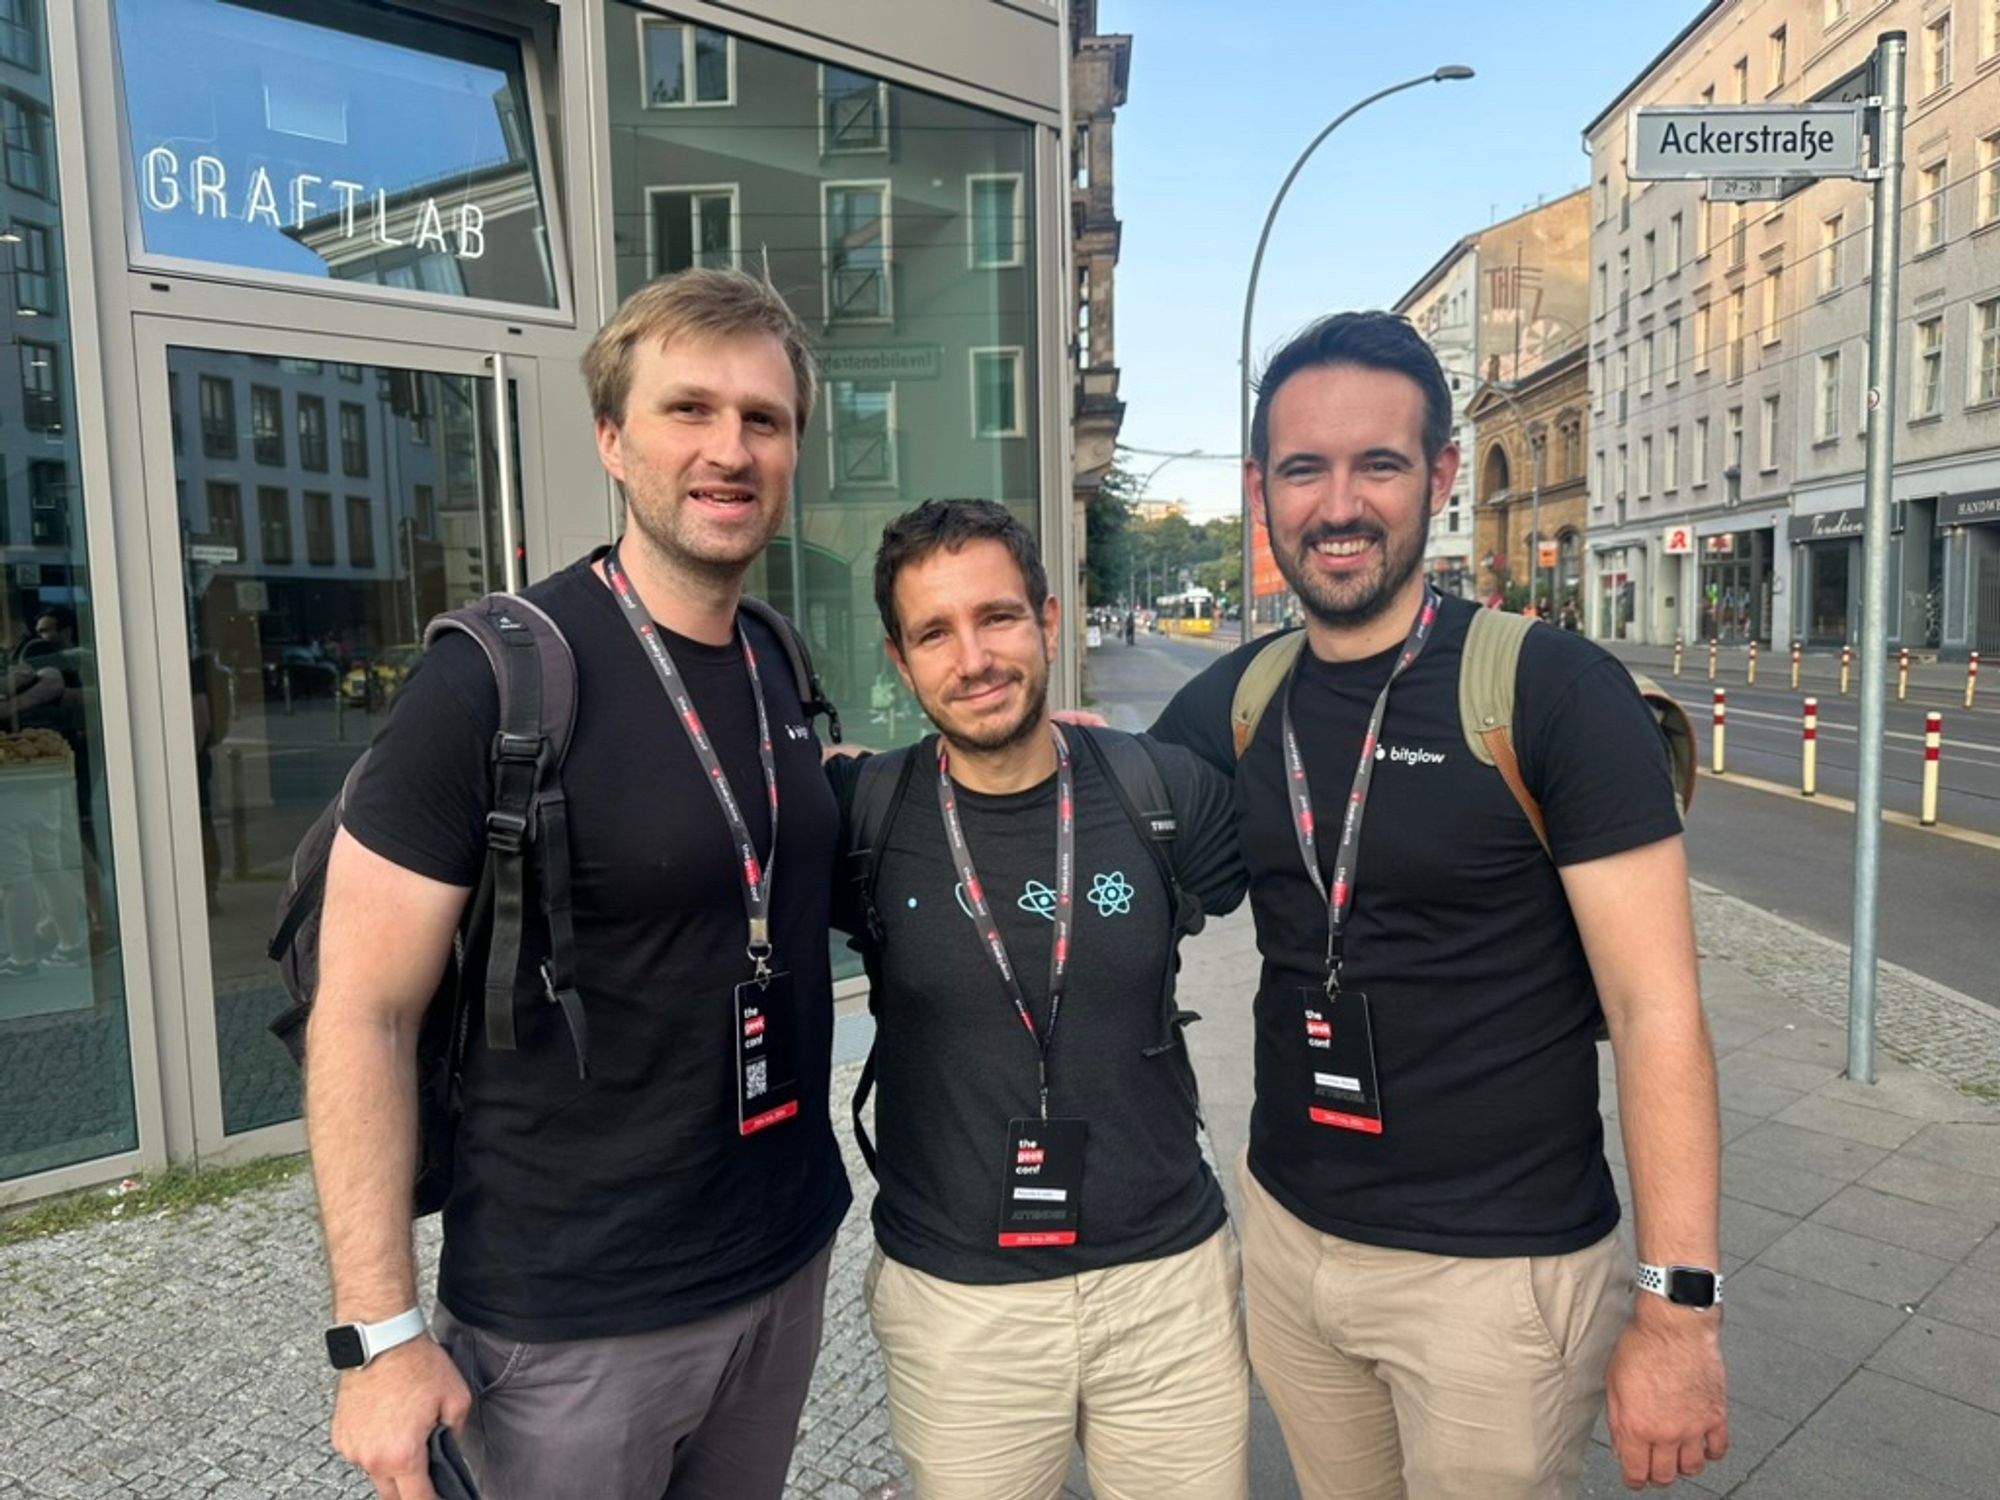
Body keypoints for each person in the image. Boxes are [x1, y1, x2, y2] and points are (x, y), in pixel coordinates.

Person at [1150, 311, 1726, 1498]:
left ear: (1441, 476)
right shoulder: (1235, 704)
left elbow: (1656, 1006)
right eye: (1304, 469)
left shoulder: (1552, 692)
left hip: (1493, 1279)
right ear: (1261, 489)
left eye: (1380, 464)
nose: (1338, 504)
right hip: (1294, 1237)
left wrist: (1676, 1317)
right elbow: (1073, 808)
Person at [307, 268, 850, 1500]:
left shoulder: (776, 660)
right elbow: (363, 1010)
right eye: (688, 411)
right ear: (611, 439)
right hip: (571, 1324)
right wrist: (379, 1338)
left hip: (779, 1265)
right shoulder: (490, 684)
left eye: (763, 419)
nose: (729, 449)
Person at [830, 500, 1251, 1500]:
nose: (972, 658)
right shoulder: (861, 816)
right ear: (899, 661)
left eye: (999, 618)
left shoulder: (1161, 792)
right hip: (958, 1306)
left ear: (1050, 623)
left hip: (1165, 1292)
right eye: (934, 632)